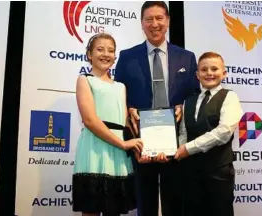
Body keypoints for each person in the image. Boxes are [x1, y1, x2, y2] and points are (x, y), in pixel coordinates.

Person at [114, 1, 199, 216]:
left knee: (175, 202)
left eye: (159, 18)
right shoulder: (127, 57)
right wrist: (129, 110)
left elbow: (195, 95)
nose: (154, 24)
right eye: (149, 19)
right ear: (141, 23)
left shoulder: (186, 57)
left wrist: (183, 106)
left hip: (177, 142)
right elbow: (118, 96)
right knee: (145, 202)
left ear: (168, 21)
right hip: (141, 142)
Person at [72, 33, 144, 216]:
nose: (106, 54)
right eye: (100, 49)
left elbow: (125, 122)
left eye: (110, 50)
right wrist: (122, 144)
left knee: (114, 209)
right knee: (92, 210)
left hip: (118, 154)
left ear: (115, 56)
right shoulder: (85, 80)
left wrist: (137, 142)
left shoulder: (121, 86)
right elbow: (90, 120)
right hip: (95, 149)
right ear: (89, 54)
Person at [174, 51, 243, 216]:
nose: (209, 73)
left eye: (214, 69)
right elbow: (184, 132)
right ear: (197, 75)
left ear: (224, 73)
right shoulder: (188, 101)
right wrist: (178, 149)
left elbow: (224, 132)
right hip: (190, 174)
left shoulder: (230, 97)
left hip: (218, 173)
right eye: (204, 70)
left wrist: (188, 149)